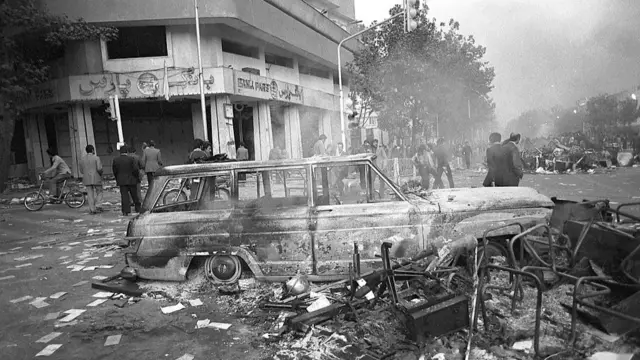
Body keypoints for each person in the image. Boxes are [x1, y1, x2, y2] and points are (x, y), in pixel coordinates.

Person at [112, 145, 141, 216]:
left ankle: (126, 211)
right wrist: (136, 177)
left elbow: (114, 171)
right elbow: (135, 169)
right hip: (132, 179)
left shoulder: (116, 159)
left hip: (121, 180)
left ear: (120, 152)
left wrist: (117, 178)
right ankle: (138, 208)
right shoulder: (131, 159)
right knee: (134, 195)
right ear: (127, 151)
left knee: (124, 196)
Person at [79, 145, 103, 214]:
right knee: (99, 191)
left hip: (87, 178)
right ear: (92, 150)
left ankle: (92, 209)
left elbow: (81, 171)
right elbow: (99, 168)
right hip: (96, 177)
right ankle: (98, 205)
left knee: (89, 194)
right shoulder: (96, 158)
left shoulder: (82, 159)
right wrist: (101, 173)